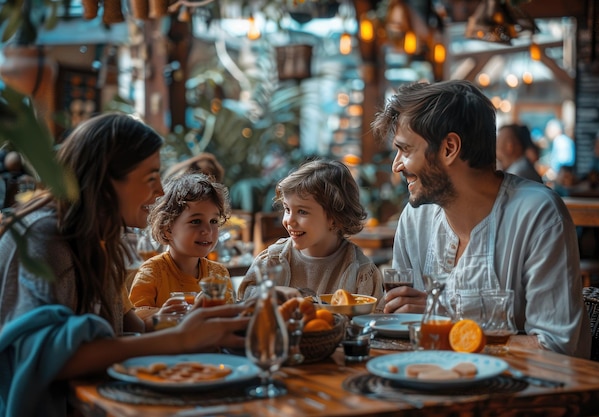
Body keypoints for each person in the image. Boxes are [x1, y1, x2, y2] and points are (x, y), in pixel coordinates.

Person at [0, 113, 249, 417]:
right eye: (150, 178)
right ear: (105, 180)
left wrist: (177, 325)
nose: (159, 191)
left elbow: (124, 332)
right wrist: (179, 339)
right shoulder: (44, 237)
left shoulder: (100, 240)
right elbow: (45, 357)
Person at [370, 80, 591, 358]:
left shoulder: (538, 215)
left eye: (406, 150)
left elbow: (555, 347)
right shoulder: (415, 218)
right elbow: (404, 330)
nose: (396, 165)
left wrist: (447, 323)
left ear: (449, 148)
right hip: (429, 382)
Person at [237, 159, 383, 302]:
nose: (289, 220)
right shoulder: (272, 260)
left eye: (302, 211)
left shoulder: (362, 273)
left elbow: (372, 321)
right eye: (287, 209)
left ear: (334, 218)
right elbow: (244, 299)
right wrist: (271, 292)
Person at [129, 171, 235, 324]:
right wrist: (164, 315)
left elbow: (228, 316)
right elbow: (136, 317)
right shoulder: (153, 271)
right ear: (168, 229)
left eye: (213, 221)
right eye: (196, 221)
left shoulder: (219, 274)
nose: (207, 230)